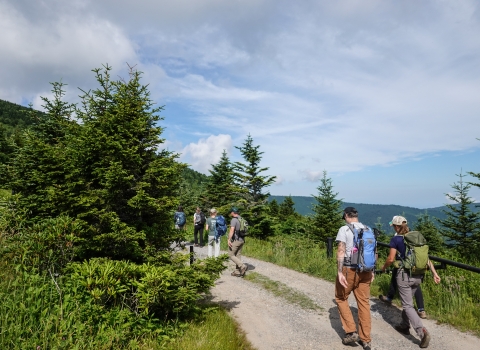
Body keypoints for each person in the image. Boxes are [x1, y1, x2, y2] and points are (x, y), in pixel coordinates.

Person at [381, 215, 441, 349]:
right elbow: (426, 258)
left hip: (404, 276)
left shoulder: (396, 239)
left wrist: (383, 267)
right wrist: (434, 273)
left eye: (394, 226)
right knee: (408, 302)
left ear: (396, 227)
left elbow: (391, 259)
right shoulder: (415, 238)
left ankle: (422, 332)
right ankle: (405, 325)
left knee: (407, 305)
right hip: (419, 276)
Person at [335, 207, 374, 350]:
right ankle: (366, 340)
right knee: (364, 303)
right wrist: (372, 271)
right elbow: (373, 251)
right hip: (366, 270)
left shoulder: (344, 229)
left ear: (346, 215)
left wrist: (339, 272)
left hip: (349, 269)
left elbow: (341, 250)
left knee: (341, 297)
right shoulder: (368, 228)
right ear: (356, 216)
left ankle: (351, 332)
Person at [227, 207, 248, 277]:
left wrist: (229, 239)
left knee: (231, 255)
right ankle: (237, 271)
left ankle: (242, 266)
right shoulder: (241, 219)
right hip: (242, 240)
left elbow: (232, 230)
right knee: (238, 255)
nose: (230, 213)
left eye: (231, 212)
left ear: (233, 212)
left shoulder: (234, 220)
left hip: (236, 240)